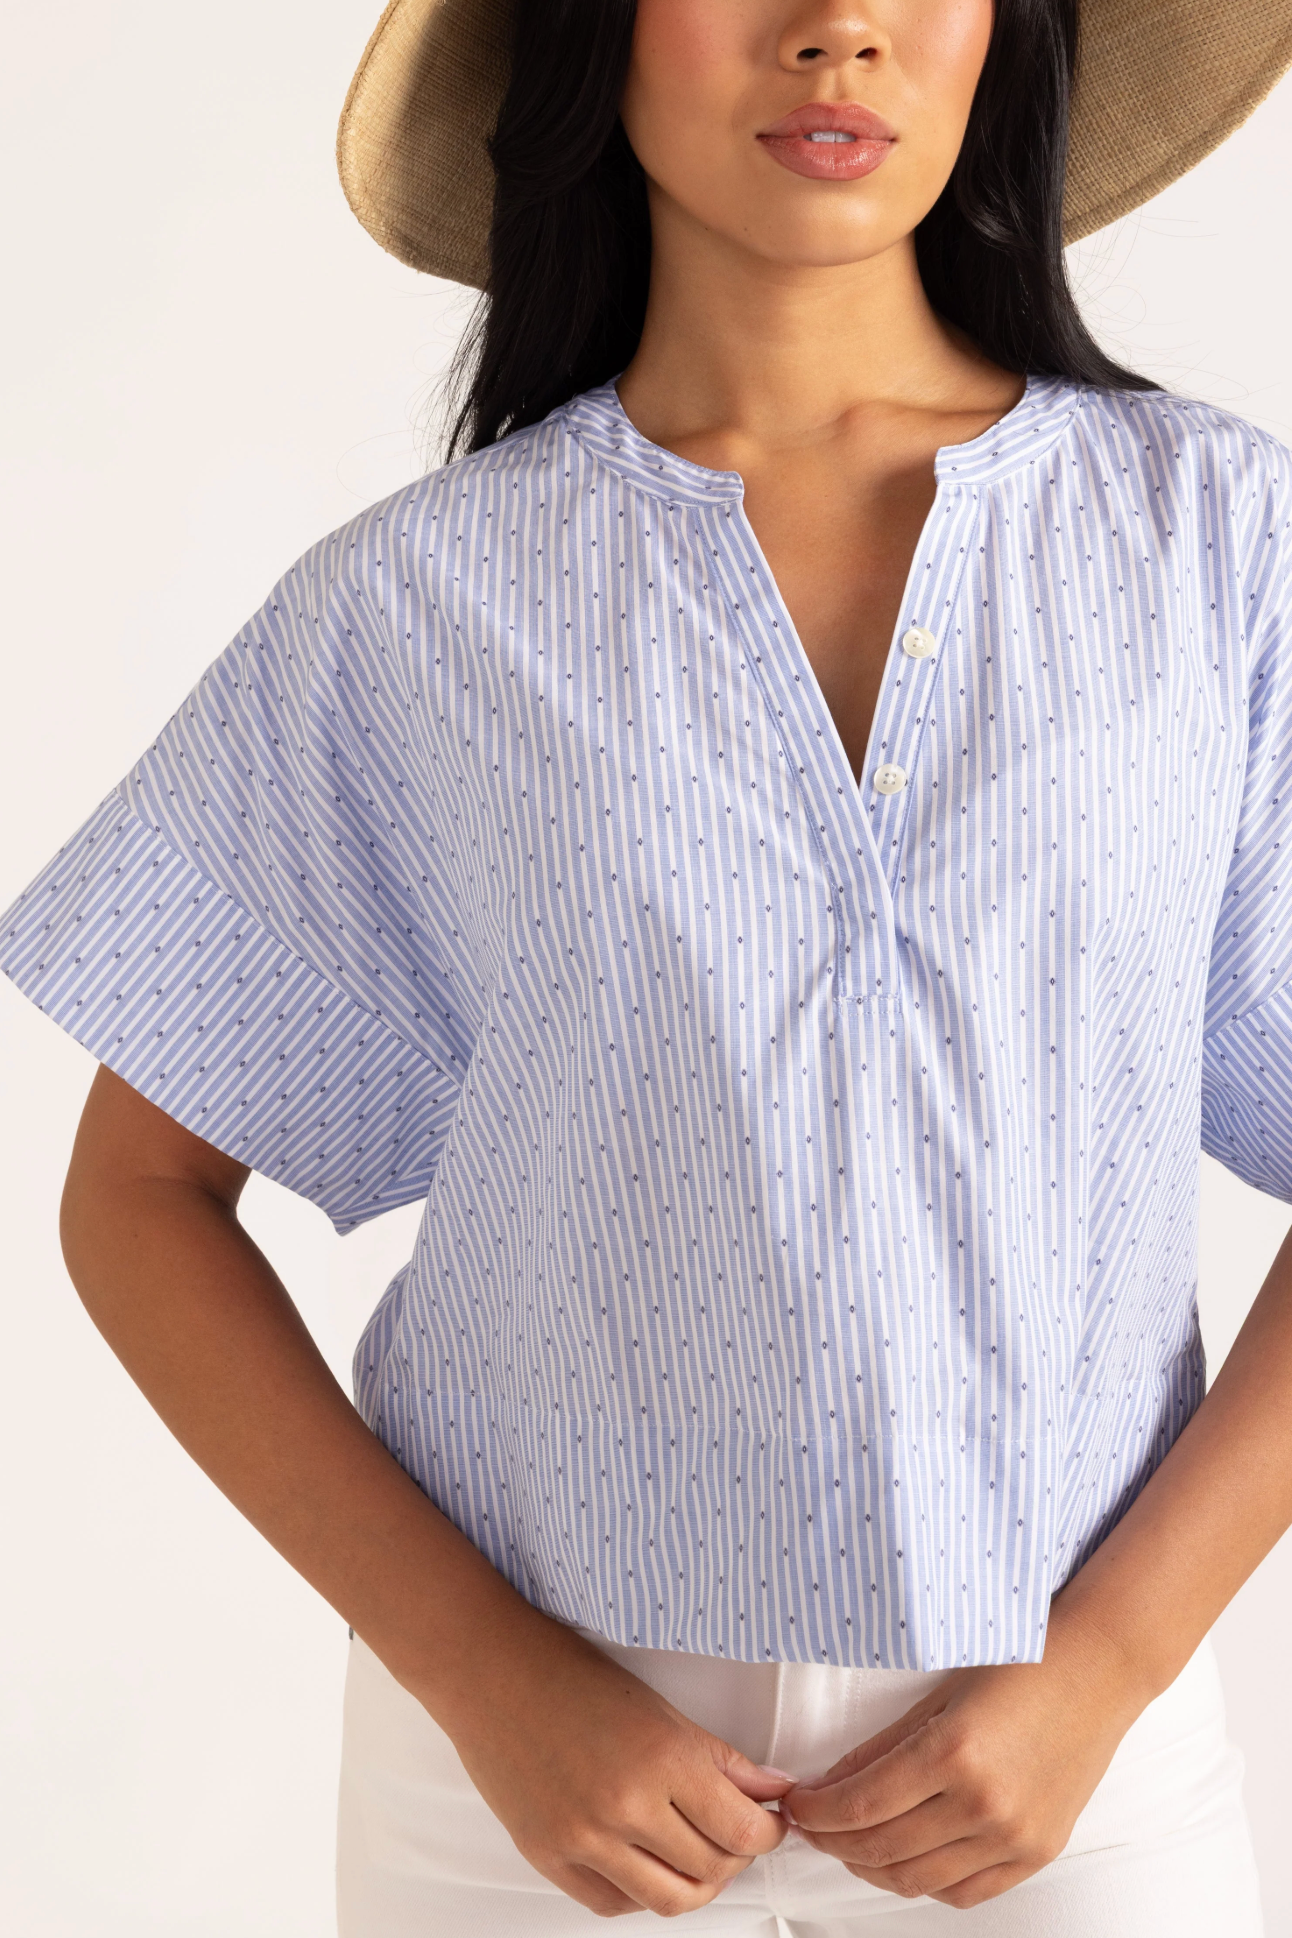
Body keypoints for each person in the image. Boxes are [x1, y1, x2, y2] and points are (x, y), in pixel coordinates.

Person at [6, 0, 1292, 1930]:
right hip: (532, 1785)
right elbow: (139, 1197)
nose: (838, 31)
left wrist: (1110, 1661)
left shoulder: (1220, 546)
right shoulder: (421, 602)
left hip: (1069, 1765)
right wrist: (489, 1683)